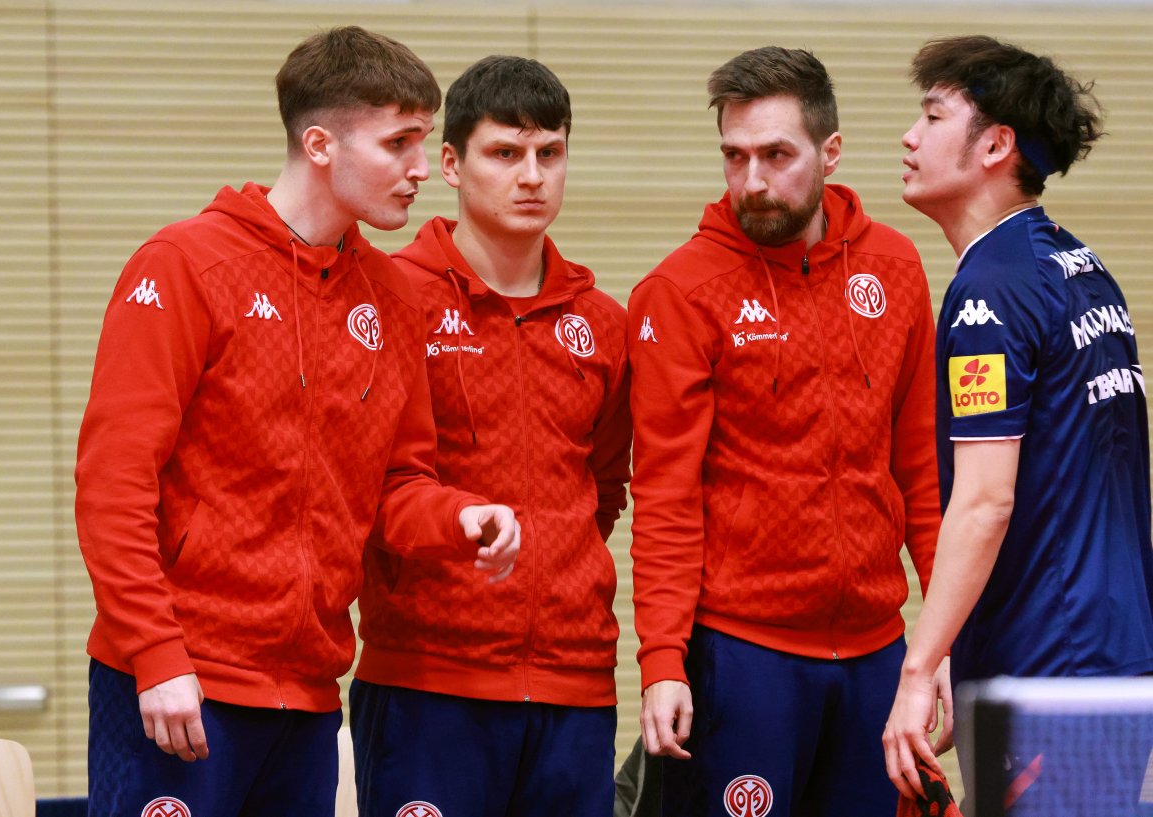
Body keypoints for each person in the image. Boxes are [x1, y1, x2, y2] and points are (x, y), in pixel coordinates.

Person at [74, 27, 520, 817]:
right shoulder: (185, 266)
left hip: (310, 694)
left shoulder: (390, 296)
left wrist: (461, 517)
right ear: (319, 143)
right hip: (179, 683)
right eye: (400, 142)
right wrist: (155, 652)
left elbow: (399, 485)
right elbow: (113, 482)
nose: (423, 168)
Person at [627, 46, 944, 816]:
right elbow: (665, 495)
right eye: (734, 157)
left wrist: (941, 643)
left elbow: (924, 471)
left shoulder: (896, 268)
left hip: (877, 648)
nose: (753, 182)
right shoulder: (681, 291)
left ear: (830, 152)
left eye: (777, 155)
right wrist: (663, 661)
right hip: (744, 653)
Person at [350, 56, 631, 817]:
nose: (532, 176)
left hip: (574, 683)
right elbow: (361, 486)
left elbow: (604, 486)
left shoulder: (602, 322)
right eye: (505, 153)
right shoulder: (387, 295)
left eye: (550, 153)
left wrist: (556, 559)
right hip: (428, 681)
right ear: (451, 163)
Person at [884, 34, 1153, 801]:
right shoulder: (1084, 269)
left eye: (933, 117)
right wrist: (946, 651)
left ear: (996, 145)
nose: (909, 136)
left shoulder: (989, 293)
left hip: (1047, 667)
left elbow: (985, 499)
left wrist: (914, 666)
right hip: (1109, 651)